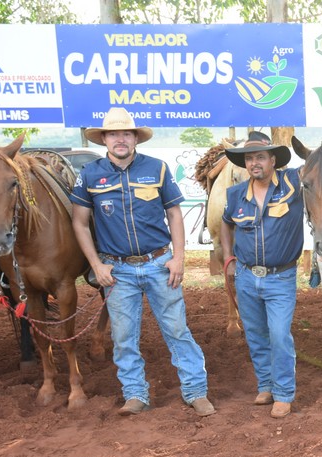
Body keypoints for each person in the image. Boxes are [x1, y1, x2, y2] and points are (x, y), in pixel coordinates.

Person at [70, 107, 214, 416]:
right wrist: (96, 265)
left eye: (126, 133)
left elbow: (174, 213)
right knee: (122, 336)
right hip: (118, 269)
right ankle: (135, 394)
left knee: (177, 330)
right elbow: (80, 223)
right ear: (104, 139)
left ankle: (195, 391)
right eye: (113, 134)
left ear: (135, 138)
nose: (119, 139)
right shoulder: (90, 175)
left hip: (159, 263)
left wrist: (179, 258)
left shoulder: (157, 169)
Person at [219, 131, 304, 418]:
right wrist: (228, 257)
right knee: (255, 334)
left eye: (259, 157)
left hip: (280, 277)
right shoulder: (235, 195)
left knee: (279, 334)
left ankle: (283, 393)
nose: (254, 163)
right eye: (249, 158)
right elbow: (226, 224)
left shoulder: (294, 182)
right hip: (245, 276)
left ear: (272, 160)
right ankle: (266, 385)